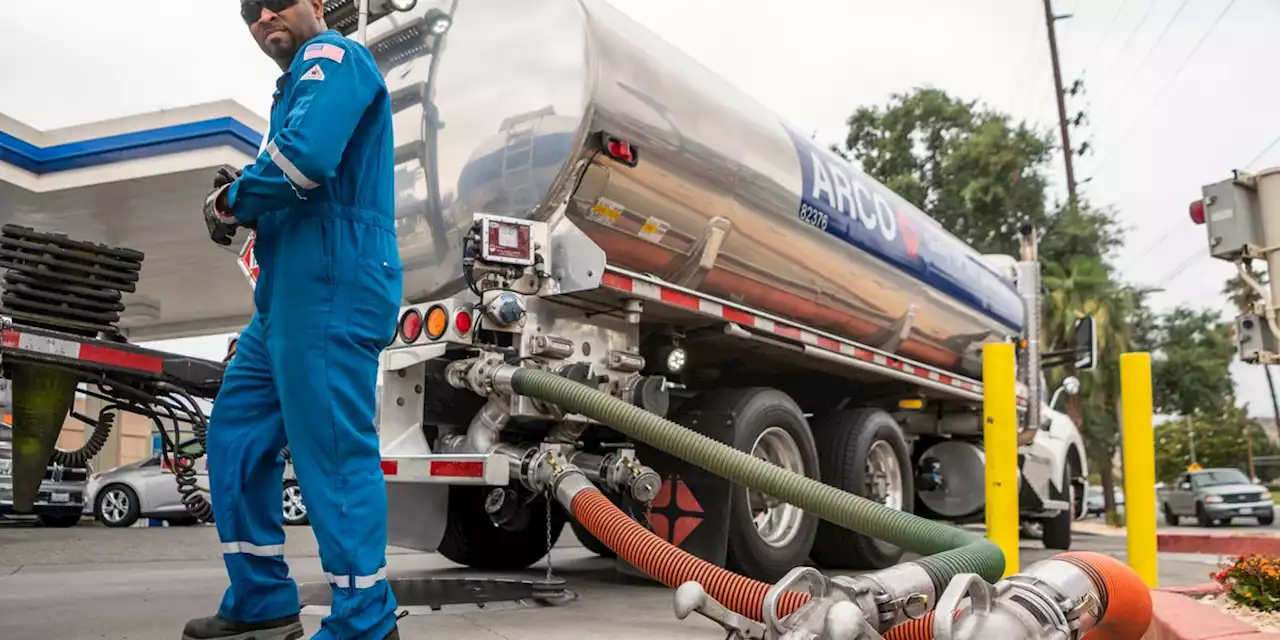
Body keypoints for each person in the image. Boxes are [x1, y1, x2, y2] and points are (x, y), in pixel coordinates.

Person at [187, 1, 403, 638]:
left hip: (332, 286)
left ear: (314, 4)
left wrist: (231, 199)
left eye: (276, 1)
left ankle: (365, 622)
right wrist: (250, 199)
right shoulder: (293, 89)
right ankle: (262, 597)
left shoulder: (335, 57)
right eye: (249, 13)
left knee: (332, 452)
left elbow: (304, 162)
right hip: (284, 299)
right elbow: (289, 174)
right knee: (234, 436)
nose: (262, 17)